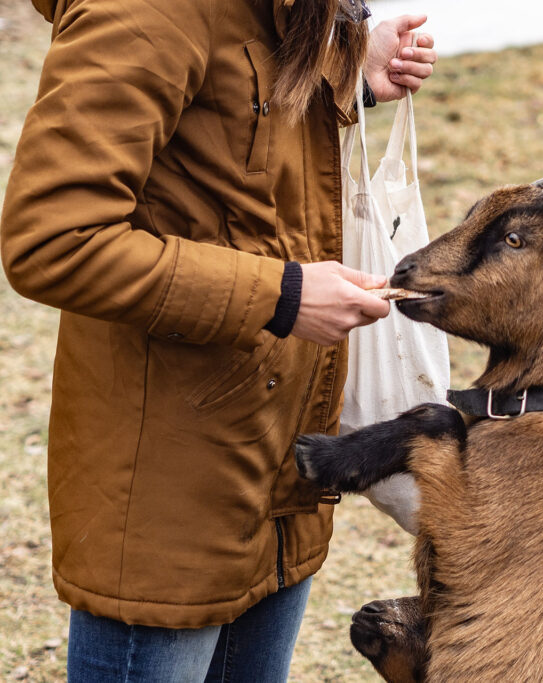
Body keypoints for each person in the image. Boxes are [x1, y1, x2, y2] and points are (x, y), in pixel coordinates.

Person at [0, 0, 437, 679]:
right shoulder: (144, 12)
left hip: (276, 471)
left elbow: (232, 139)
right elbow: (54, 240)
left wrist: (345, 75)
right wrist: (282, 295)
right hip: (168, 498)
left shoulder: (276, 12)